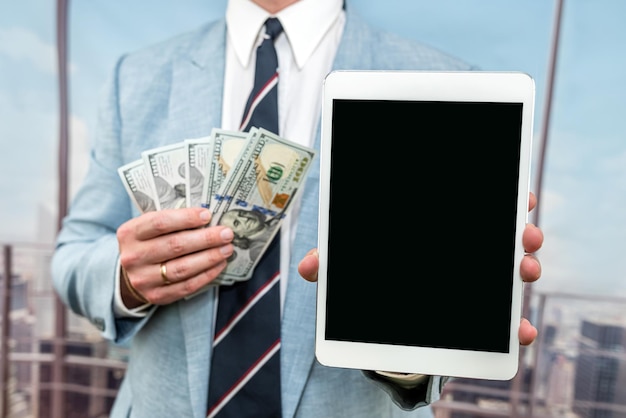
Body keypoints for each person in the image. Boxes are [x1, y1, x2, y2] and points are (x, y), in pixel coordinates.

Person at [51, 0, 544, 417]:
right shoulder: (135, 77)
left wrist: (409, 345)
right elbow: (73, 256)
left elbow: (437, 332)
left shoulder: (450, 84)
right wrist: (127, 278)